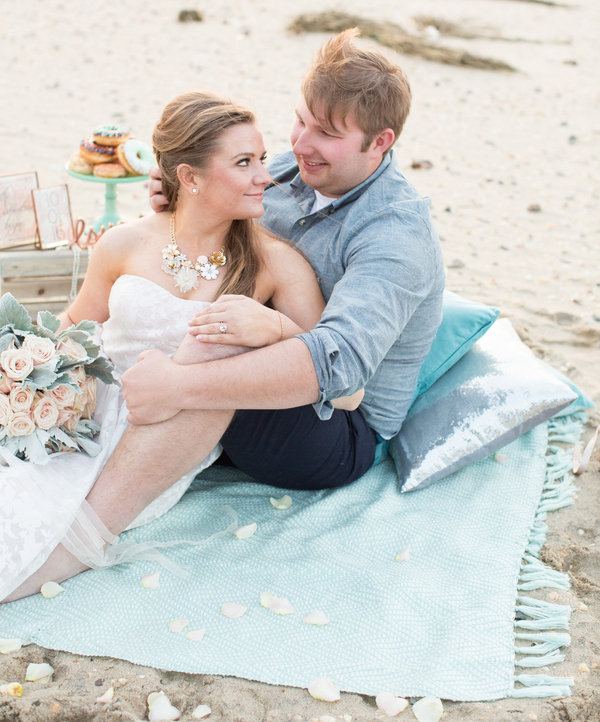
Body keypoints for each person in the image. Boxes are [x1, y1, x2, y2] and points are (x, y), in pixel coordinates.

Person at [4, 28, 445, 600]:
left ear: (380, 142)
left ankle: (78, 543)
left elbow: (341, 374)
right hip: (234, 382)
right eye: (301, 120)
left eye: (327, 133)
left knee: (223, 327)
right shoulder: (290, 170)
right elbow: (218, 186)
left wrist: (184, 383)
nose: (301, 145)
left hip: (336, 426)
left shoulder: (396, 236)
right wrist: (184, 205)